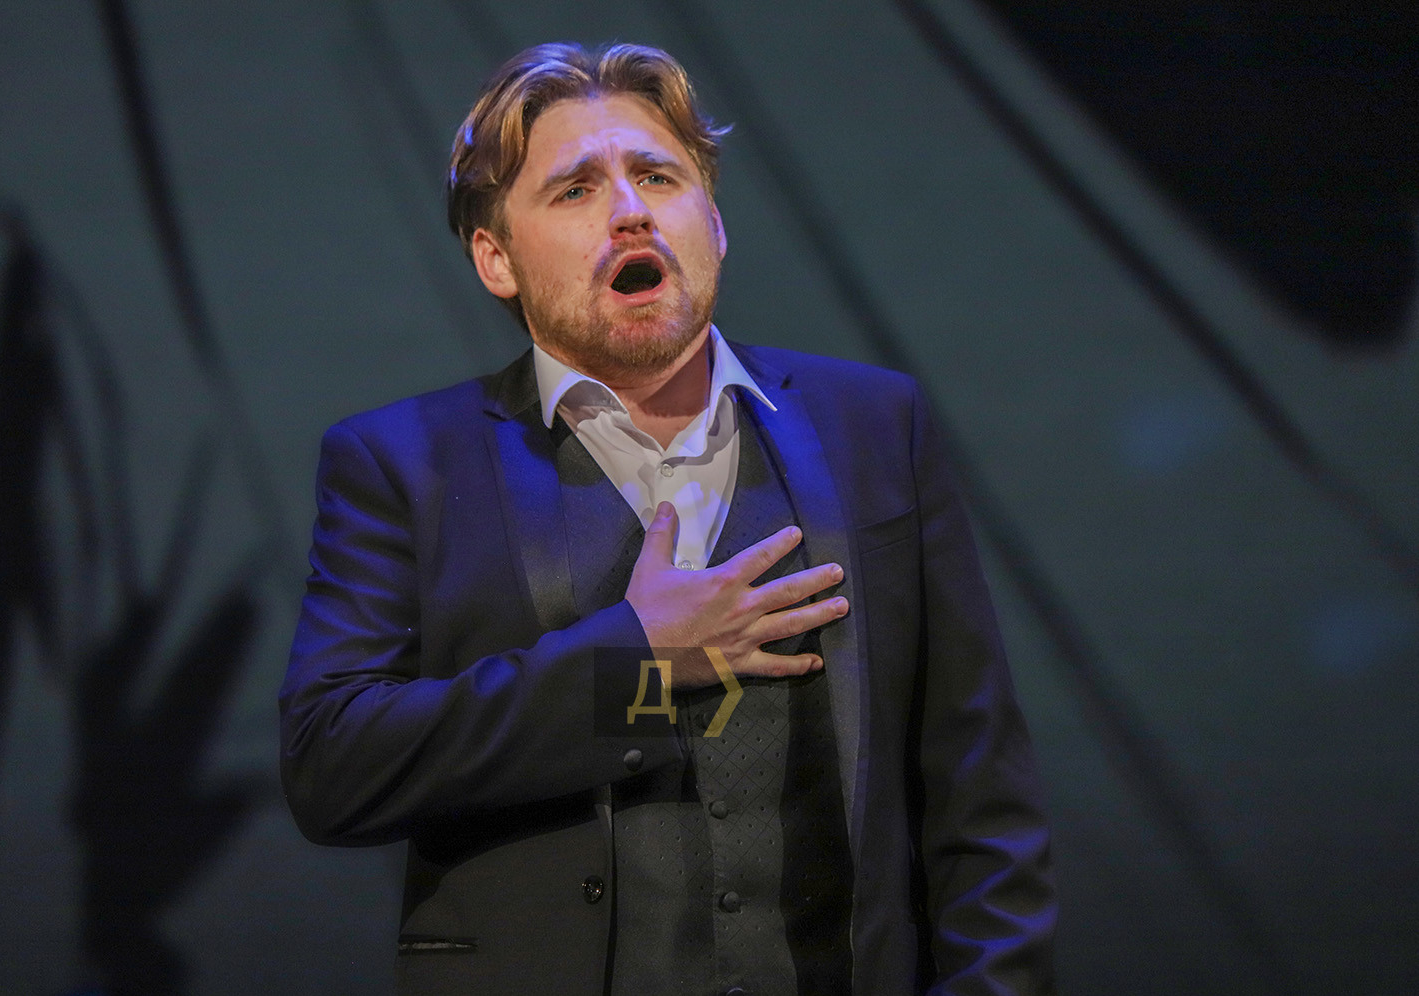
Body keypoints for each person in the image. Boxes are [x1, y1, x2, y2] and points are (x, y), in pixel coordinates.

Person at [280, 41, 1056, 996]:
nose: (631, 210)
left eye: (657, 175)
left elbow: (979, 782)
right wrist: (637, 666)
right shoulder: (404, 464)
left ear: (715, 224)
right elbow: (333, 767)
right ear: (496, 258)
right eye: (575, 189)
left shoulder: (874, 426)